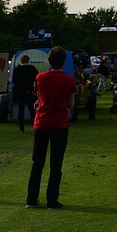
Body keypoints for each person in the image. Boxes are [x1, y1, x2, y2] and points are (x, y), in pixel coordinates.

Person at [27, 46, 76, 209]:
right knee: (56, 165)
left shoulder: (40, 77)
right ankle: (52, 200)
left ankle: (32, 199)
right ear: (63, 62)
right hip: (59, 124)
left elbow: (40, 97)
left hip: (42, 123)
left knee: (37, 163)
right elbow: (69, 103)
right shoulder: (69, 80)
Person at [11, 54, 38, 132]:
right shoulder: (32, 68)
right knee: (32, 109)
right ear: (28, 60)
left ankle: (21, 128)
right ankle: (35, 126)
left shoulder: (17, 69)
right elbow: (36, 79)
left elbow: (14, 81)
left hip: (20, 92)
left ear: (21, 60)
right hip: (29, 91)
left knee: (21, 109)